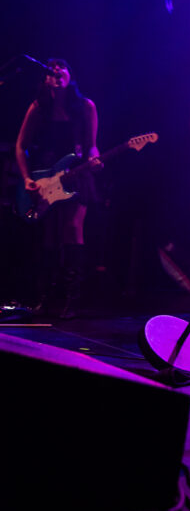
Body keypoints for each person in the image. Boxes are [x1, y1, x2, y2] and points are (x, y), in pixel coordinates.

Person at [15, 59, 100, 319]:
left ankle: (71, 298)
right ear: (45, 80)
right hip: (46, 178)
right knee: (50, 237)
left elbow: (92, 145)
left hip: (76, 176)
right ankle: (46, 297)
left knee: (73, 228)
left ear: (69, 75)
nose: (56, 71)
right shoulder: (38, 108)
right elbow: (21, 146)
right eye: (50, 69)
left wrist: (94, 158)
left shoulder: (85, 107)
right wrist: (27, 178)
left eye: (61, 67)